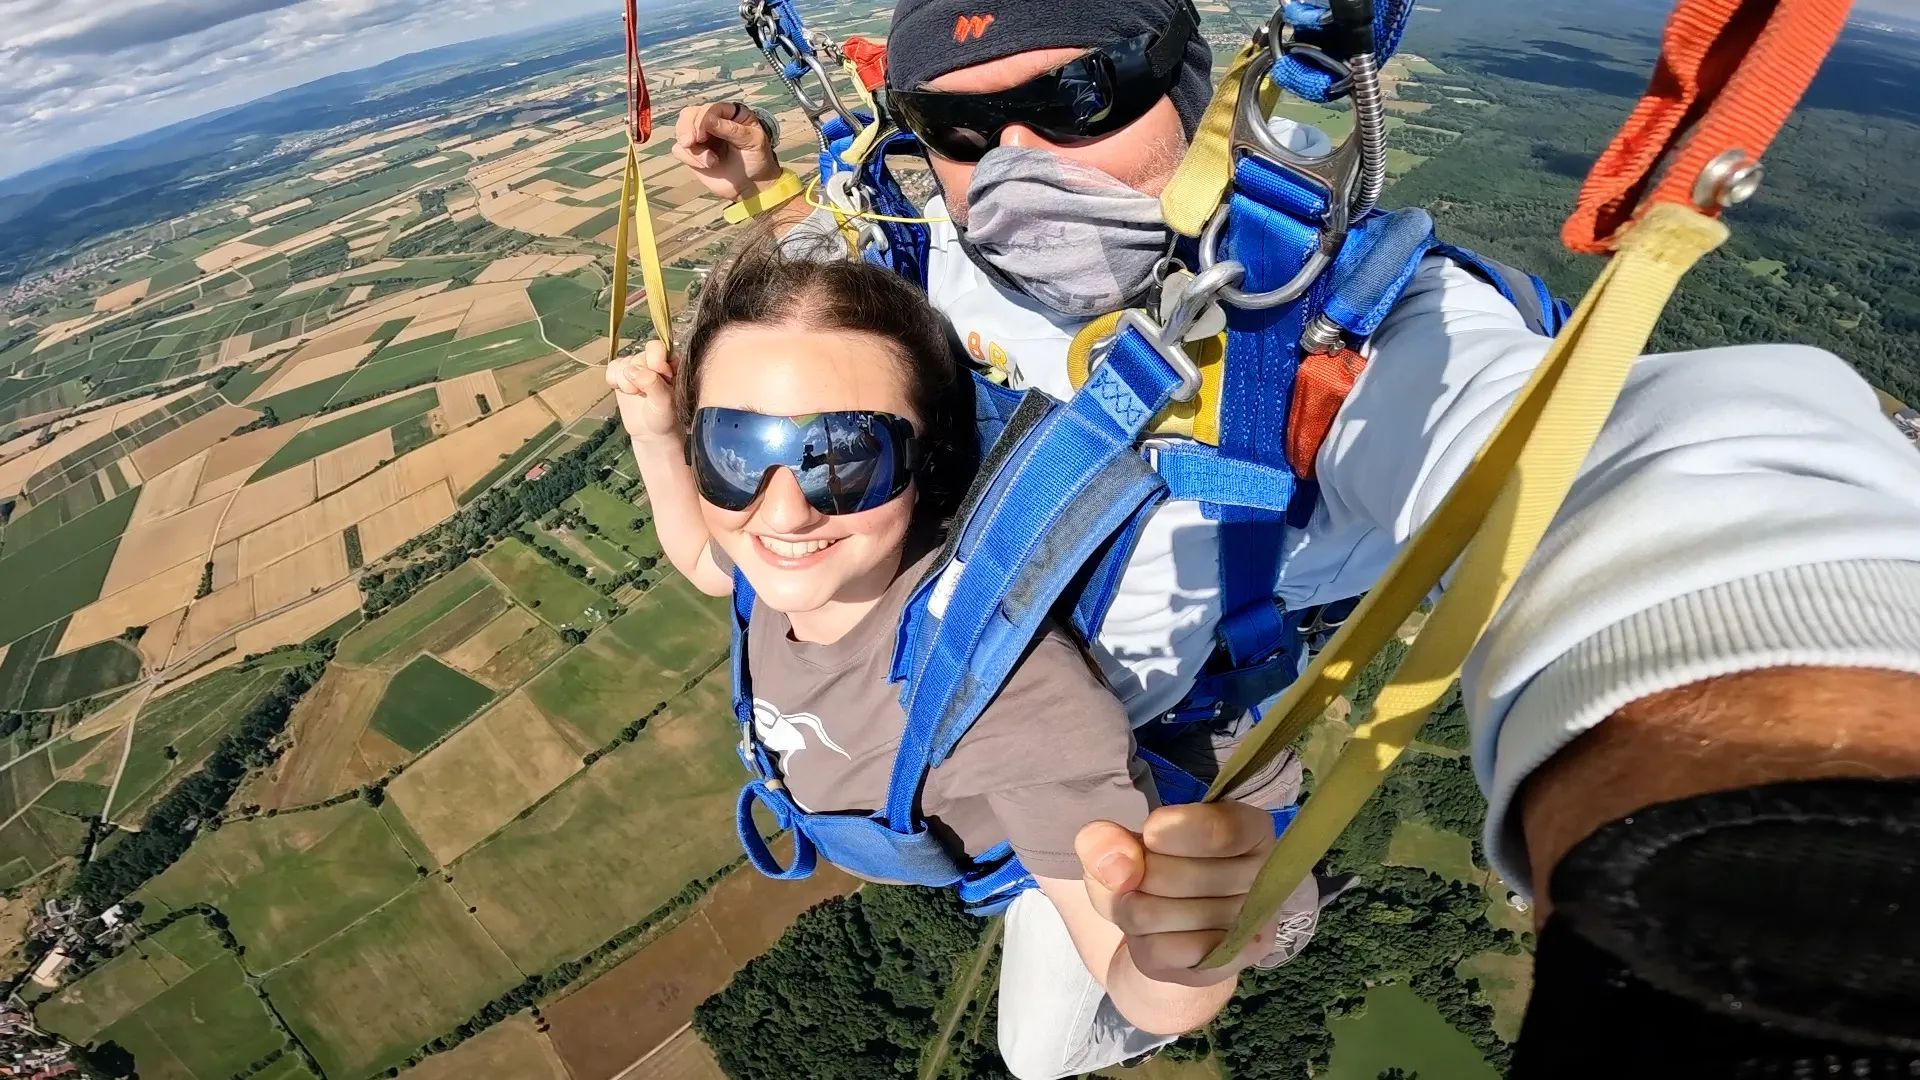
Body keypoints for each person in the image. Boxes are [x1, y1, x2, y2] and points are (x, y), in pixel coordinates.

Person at [659, 0, 1920, 1075]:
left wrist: (1783, 860)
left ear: (1199, 88)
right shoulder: (944, 243)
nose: (1019, 162)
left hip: (1167, 784)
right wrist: (769, 193)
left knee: (1039, 1054)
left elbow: (1622, 472)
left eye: (1082, 96)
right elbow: (874, 265)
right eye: (961, 129)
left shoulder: (1332, 337)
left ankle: (1274, 914)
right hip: (994, 730)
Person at [611, 237, 1301, 1049]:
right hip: (932, 819)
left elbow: (1137, 974)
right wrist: (657, 436)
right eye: (737, 449)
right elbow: (706, 558)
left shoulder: (1007, 693)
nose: (784, 512)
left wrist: (1181, 960)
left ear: (925, 462)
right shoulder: (776, 559)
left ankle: (1287, 915)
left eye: (846, 457)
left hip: (1037, 863)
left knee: (1034, 1059)